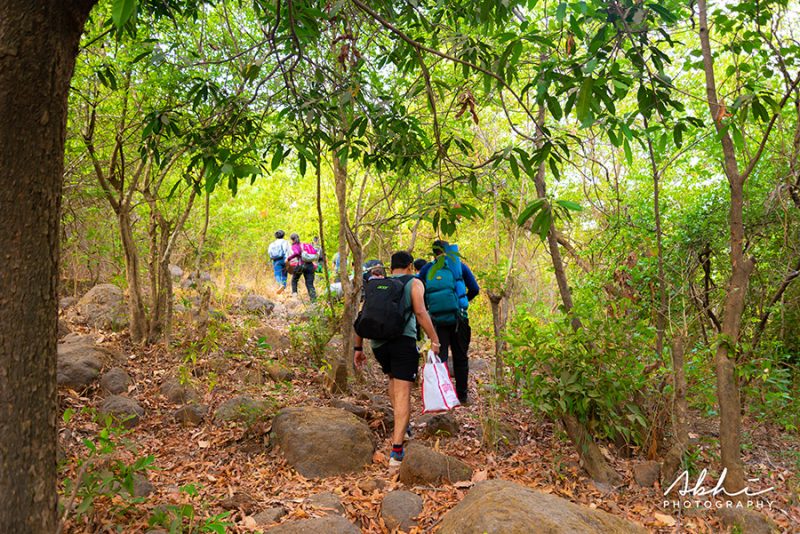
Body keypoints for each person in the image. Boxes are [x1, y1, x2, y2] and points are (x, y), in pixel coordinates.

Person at [354, 251, 440, 467]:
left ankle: (404, 427)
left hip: (379, 344)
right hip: (403, 342)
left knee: (393, 381)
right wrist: (435, 339)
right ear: (410, 265)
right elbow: (420, 313)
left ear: (391, 267)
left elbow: (361, 317)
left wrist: (358, 347)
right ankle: (397, 450)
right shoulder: (414, 283)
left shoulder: (378, 284)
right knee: (403, 391)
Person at [417, 240, 480, 404]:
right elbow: (475, 289)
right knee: (460, 358)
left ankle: (443, 396)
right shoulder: (458, 267)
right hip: (459, 318)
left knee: (441, 357)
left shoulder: (427, 269)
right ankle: (462, 396)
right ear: (448, 251)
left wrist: (429, 307)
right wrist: (462, 302)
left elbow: (418, 288)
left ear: (433, 253)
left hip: (437, 320)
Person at [286, 233, 317, 301]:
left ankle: (295, 296)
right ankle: (314, 300)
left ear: (292, 240)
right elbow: (314, 251)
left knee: (294, 280)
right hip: (310, 265)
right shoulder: (305, 245)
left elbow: (296, 253)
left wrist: (289, 259)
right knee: (309, 283)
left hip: (301, 265)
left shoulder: (295, 246)